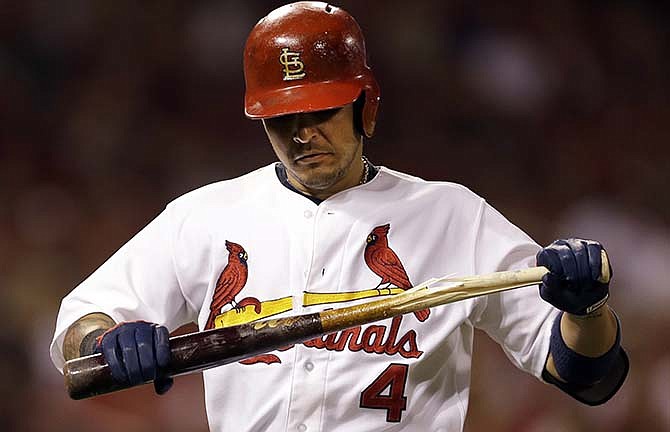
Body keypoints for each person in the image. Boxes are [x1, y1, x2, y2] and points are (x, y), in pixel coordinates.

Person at [50, 2, 628, 431]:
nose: (303, 134)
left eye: (322, 111)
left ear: (363, 103)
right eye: (283, 118)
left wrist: (588, 309)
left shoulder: (450, 215)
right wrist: (107, 338)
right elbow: (78, 327)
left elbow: (587, 373)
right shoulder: (205, 216)